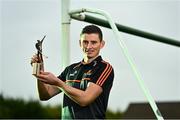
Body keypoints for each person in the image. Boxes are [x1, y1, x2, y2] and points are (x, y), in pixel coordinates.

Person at [31, 25, 114, 119]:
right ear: (80, 43)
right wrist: (39, 72)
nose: (89, 46)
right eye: (85, 42)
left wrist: (59, 83)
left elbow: (85, 99)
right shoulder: (70, 69)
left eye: (94, 42)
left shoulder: (104, 68)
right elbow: (45, 95)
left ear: (102, 44)